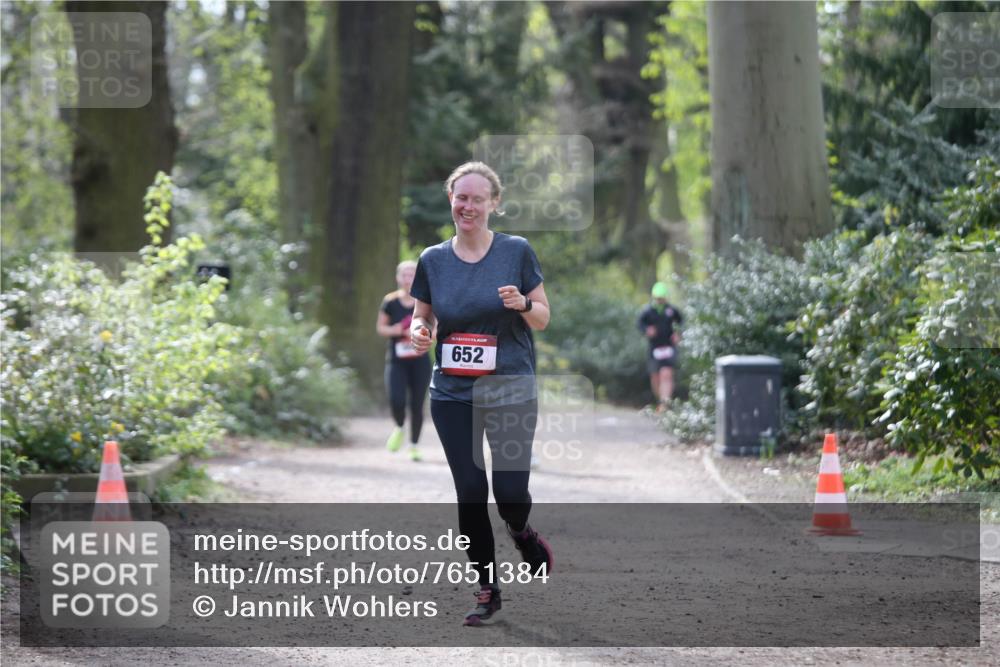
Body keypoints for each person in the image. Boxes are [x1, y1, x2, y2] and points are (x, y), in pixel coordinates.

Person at [408, 161, 554, 626]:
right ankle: (487, 587)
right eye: (461, 197)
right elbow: (422, 315)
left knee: (510, 492)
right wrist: (419, 331)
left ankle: (521, 531)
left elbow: (543, 317)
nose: (467, 206)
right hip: (453, 391)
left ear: (494, 203)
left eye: (477, 198)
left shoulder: (516, 251)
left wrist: (523, 303)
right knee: (471, 490)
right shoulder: (433, 259)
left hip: (510, 387)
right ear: (451, 200)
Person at [376, 260, 432, 461]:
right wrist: (398, 330)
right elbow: (381, 328)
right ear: (398, 278)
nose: (408, 279)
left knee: (417, 404)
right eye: (404, 274)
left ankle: (414, 446)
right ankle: (399, 426)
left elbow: (436, 328)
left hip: (420, 360)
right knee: (396, 399)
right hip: (396, 360)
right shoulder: (390, 301)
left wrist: (422, 335)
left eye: (412, 274)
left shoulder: (425, 300)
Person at [638, 282, 683, 410]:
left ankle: (665, 404)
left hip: (669, 347)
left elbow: (681, 322)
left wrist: (678, 333)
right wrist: (647, 330)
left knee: (666, 374)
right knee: (655, 377)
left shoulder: (672, 311)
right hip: (654, 348)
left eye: (662, 298)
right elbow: (640, 324)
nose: (660, 300)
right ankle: (660, 401)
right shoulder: (647, 311)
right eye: (658, 298)